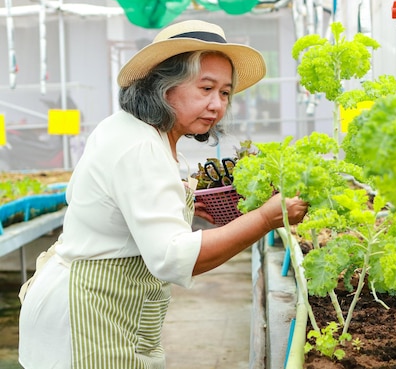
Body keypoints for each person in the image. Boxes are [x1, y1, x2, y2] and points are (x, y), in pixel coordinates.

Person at [18, 20, 308, 368]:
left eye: (225, 92)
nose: (217, 104)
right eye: (206, 88)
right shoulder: (140, 146)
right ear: (163, 87)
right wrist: (263, 219)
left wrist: (203, 217)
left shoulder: (137, 132)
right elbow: (172, 258)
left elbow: (137, 219)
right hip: (89, 315)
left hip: (108, 308)